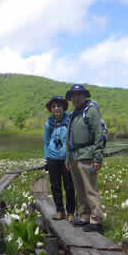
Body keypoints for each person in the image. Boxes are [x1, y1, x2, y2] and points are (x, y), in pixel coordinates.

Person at [65, 84, 105, 233]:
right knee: (80, 190)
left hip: (88, 156)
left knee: (90, 189)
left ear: (84, 96)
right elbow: (68, 139)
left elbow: (98, 134)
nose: (76, 98)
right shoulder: (73, 114)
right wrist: (67, 158)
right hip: (74, 157)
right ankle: (85, 216)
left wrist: (98, 158)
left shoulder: (91, 111)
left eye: (79, 95)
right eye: (73, 95)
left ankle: (96, 220)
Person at [43, 95, 76, 223]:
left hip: (67, 158)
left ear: (63, 108)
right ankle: (59, 210)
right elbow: (46, 142)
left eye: (59, 106)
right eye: (54, 106)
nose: (56, 108)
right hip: (52, 158)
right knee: (55, 185)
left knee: (69, 186)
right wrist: (46, 158)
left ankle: (71, 212)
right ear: (51, 109)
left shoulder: (69, 121)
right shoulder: (48, 124)